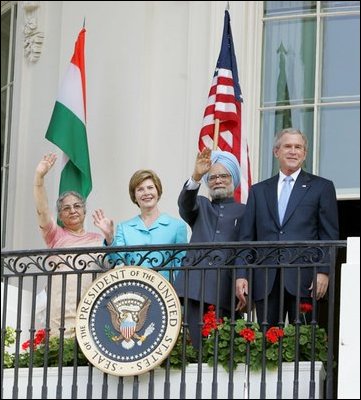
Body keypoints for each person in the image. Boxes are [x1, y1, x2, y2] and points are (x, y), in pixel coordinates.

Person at [236, 128, 339, 329]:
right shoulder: (258, 191)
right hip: (266, 280)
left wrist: (324, 271)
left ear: (304, 153)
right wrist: (241, 274)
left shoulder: (322, 187)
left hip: (305, 279)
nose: (293, 151)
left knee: (304, 345)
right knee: (267, 345)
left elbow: (329, 235)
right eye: (288, 146)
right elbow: (246, 237)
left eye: (298, 147)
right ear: (276, 152)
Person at [173, 147, 246, 348]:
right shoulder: (201, 205)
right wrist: (197, 176)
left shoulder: (246, 211)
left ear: (233, 178)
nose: (218, 180)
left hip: (227, 289)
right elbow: (185, 204)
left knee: (223, 349)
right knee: (194, 346)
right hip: (194, 287)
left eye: (224, 175)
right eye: (212, 177)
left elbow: (248, 252)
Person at [33, 153, 103, 337]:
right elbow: (42, 209)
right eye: (66, 208)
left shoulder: (98, 238)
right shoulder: (55, 235)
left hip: (92, 307)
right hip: (61, 308)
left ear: (84, 211)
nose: (72, 210)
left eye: (77, 206)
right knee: (61, 354)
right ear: (60, 216)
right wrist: (39, 178)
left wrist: (110, 237)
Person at [92, 169, 188, 280]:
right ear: (134, 196)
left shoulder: (177, 226)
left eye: (150, 188)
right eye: (140, 189)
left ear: (158, 191)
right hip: (133, 292)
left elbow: (180, 268)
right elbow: (116, 261)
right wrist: (109, 237)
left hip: (166, 294)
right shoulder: (124, 228)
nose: (146, 193)